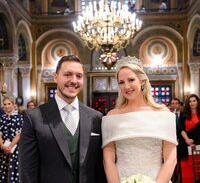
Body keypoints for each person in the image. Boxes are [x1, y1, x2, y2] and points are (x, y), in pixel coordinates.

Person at [19, 55, 107, 183]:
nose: (74, 80)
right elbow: (27, 171)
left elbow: (99, 168)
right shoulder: (34, 118)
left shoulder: (96, 117)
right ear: (56, 77)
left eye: (79, 76)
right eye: (67, 74)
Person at [102, 56, 177, 183]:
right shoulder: (112, 116)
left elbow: (171, 159)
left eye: (131, 80)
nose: (126, 86)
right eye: (121, 82)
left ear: (142, 80)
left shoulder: (162, 114)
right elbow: (108, 160)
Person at [0, 96, 24, 183]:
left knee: (14, 171)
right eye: (5, 104)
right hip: (3, 149)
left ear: (13, 105)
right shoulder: (2, 118)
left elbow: (18, 135)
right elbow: (0, 133)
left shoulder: (19, 117)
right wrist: (2, 146)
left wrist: (10, 147)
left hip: (15, 148)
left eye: (9, 104)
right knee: (3, 171)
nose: (7, 106)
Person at [179, 94, 200, 183]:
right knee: (186, 170)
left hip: (198, 145)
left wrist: (194, 141)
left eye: (194, 101)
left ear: (198, 102)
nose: (192, 103)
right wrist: (187, 140)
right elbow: (181, 129)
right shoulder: (183, 114)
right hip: (185, 145)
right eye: (190, 101)